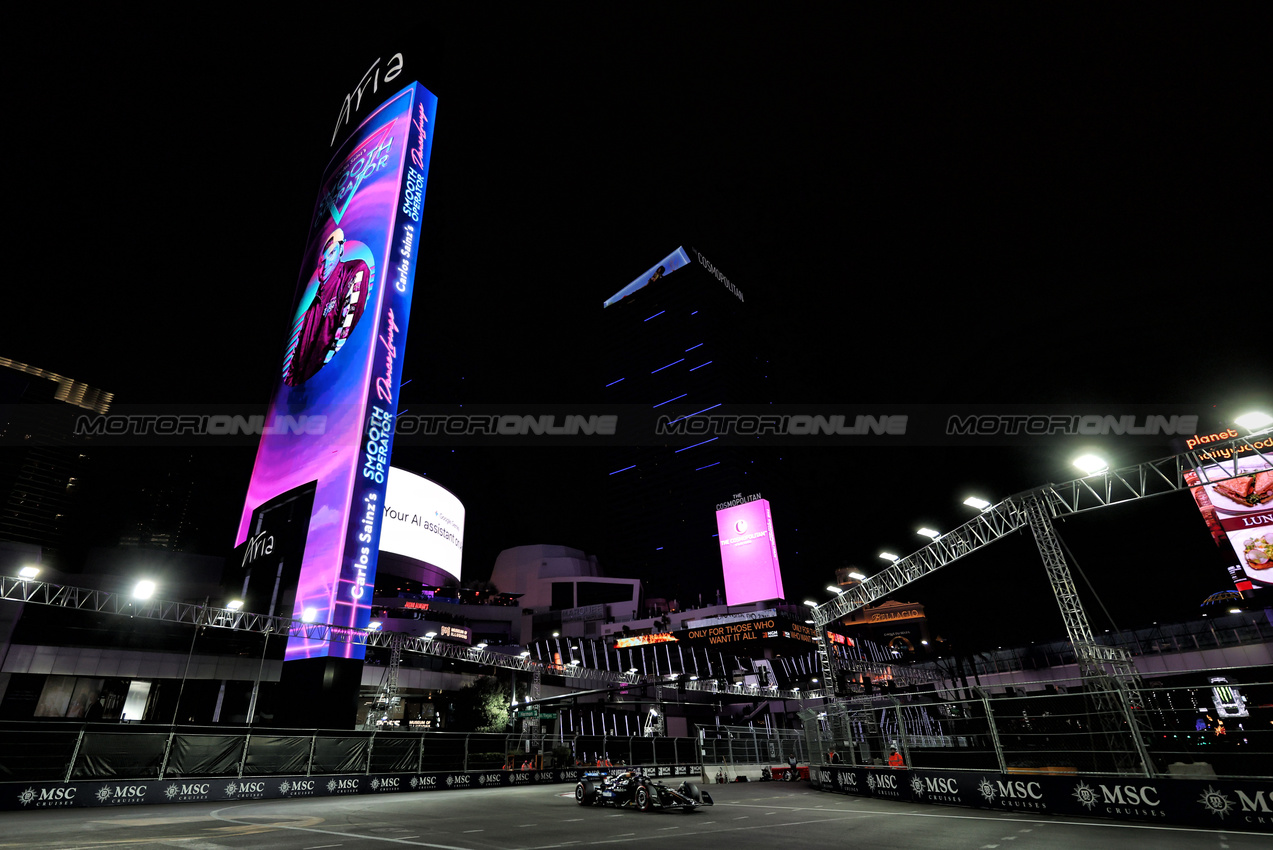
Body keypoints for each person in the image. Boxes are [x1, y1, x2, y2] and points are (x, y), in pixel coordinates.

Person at [285, 228, 372, 385]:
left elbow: (345, 335)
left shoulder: (356, 271)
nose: (325, 264)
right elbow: (296, 359)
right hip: (306, 397)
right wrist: (294, 387)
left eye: (331, 254)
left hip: (331, 386)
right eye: (321, 261)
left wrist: (317, 384)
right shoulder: (312, 309)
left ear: (341, 250)